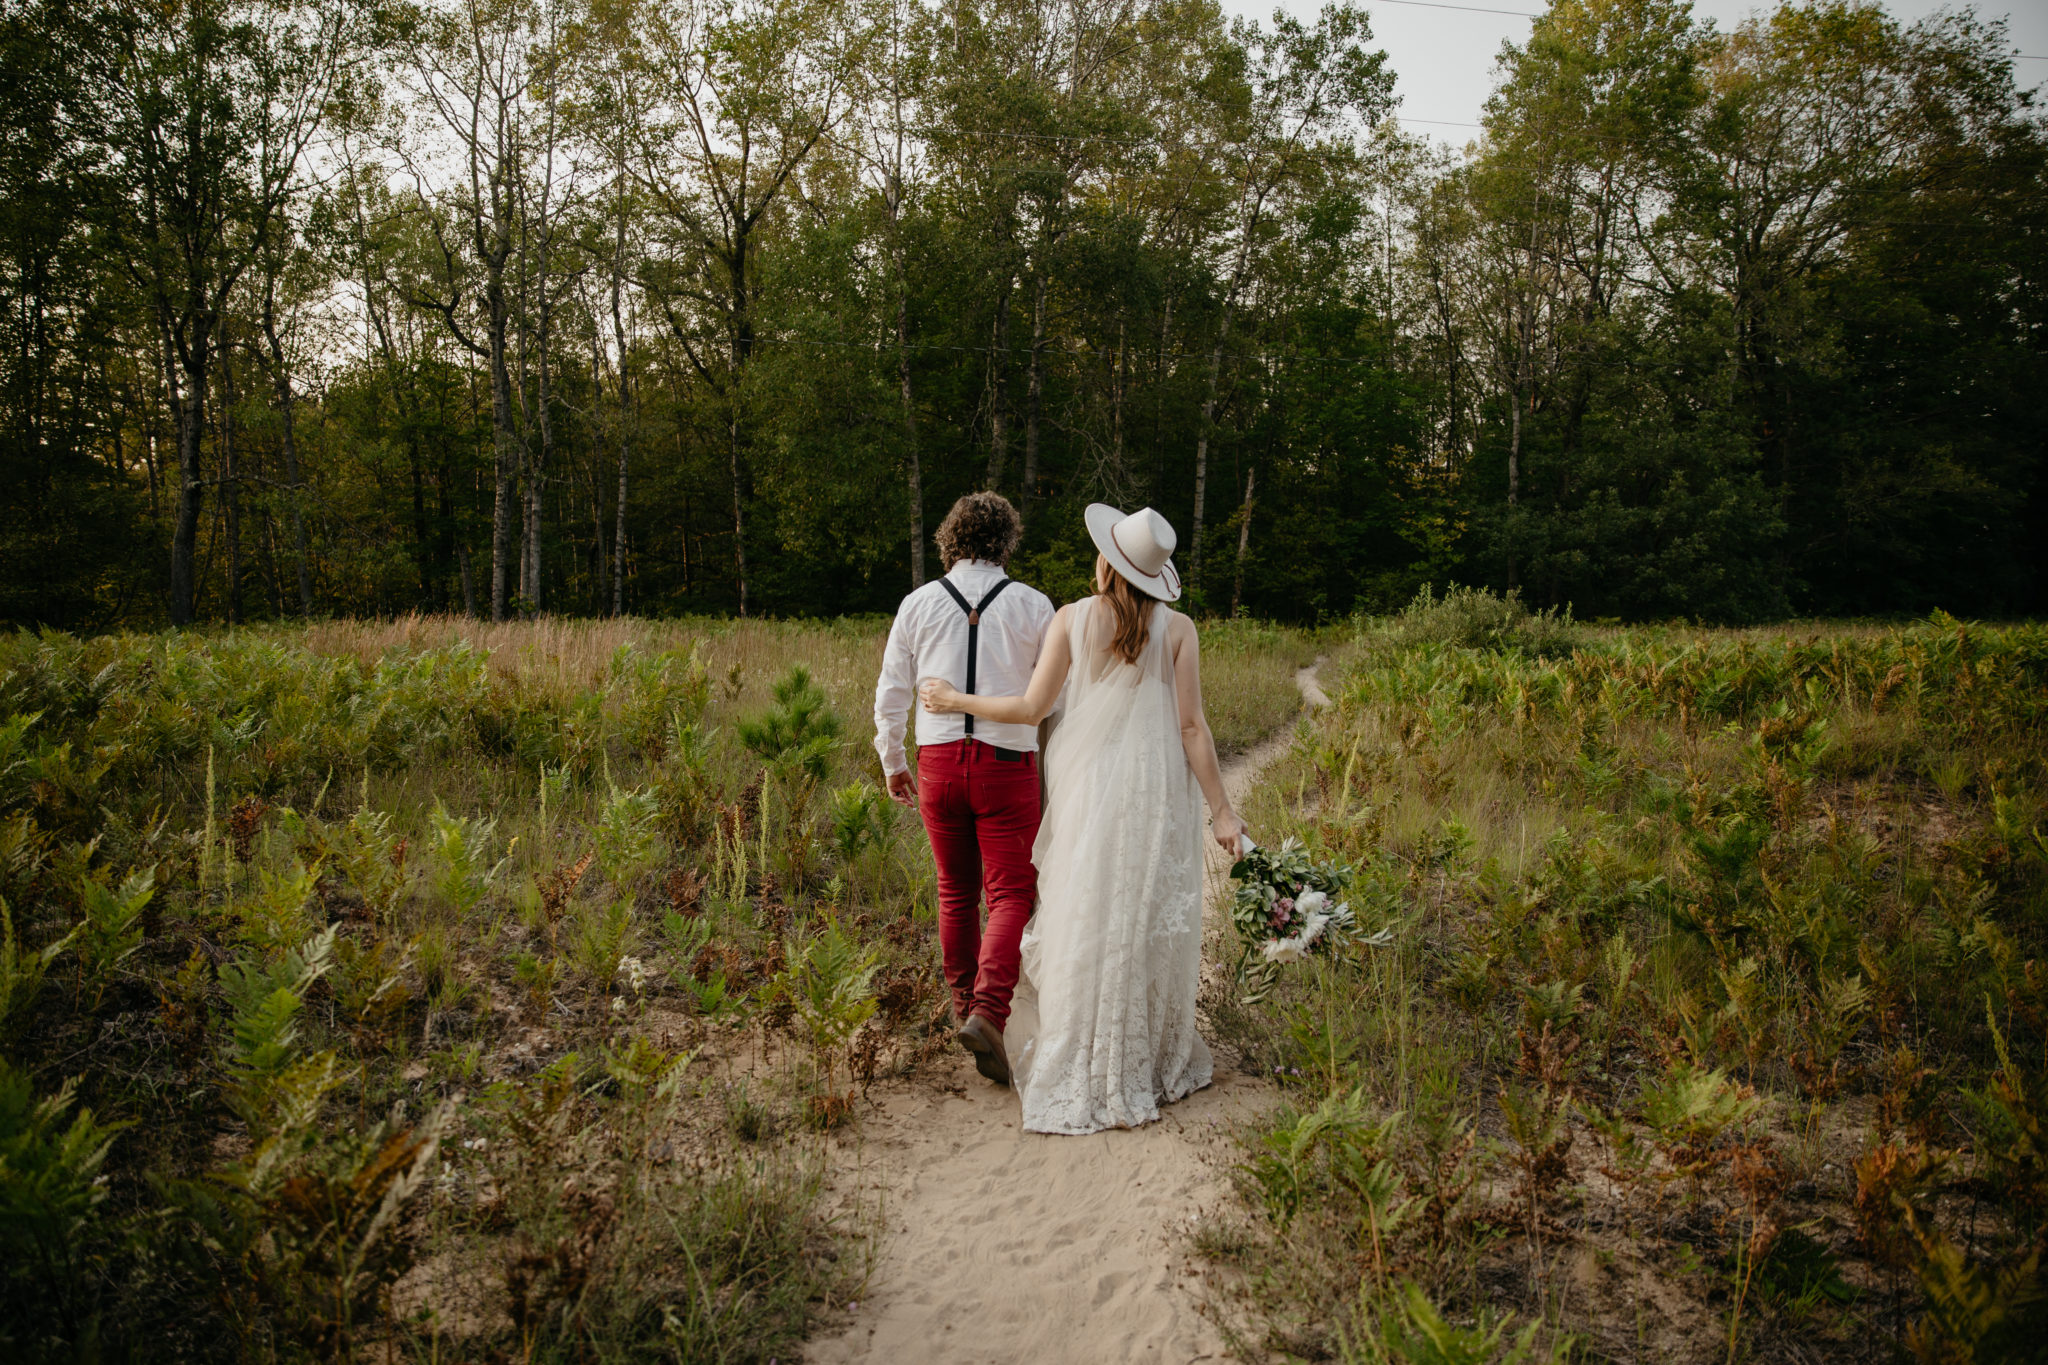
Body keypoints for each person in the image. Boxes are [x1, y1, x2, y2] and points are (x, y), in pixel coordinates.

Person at [919, 504, 1245, 1134]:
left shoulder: (1070, 618)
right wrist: (1221, 809)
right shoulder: (1178, 630)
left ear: (1106, 560)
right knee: (1143, 907)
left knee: (1088, 906)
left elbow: (1032, 708)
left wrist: (955, 699)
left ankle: (1088, 1044)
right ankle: (1140, 1053)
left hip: (1090, 783)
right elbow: (1191, 728)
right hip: (1155, 786)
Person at [873, 492, 1056, 1086]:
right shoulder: (1034, 606)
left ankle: (963, 1007)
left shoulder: (918, 603)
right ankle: (988, 1012)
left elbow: (892, 691)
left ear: (951, 541)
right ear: (1006, 543)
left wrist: (892, 759)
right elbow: (1054, 701)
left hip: (940, 764)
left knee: (955, 890)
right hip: (1008, 766)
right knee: (1010, 895)